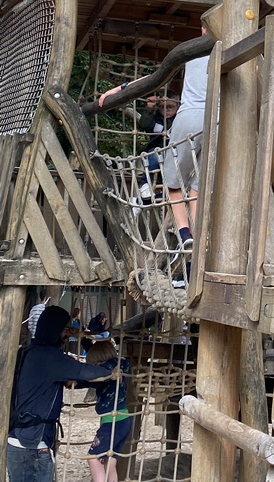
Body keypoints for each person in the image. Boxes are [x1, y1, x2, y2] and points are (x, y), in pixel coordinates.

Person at [99, 30, 209, 256]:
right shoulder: (228, 48)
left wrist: (119, 89)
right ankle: (200, 235)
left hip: (190, 119)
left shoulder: (193, 51)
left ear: (203, 30)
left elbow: (156, 77)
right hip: (218, 119)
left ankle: (186, 234)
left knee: (174, 184)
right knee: (198, 186)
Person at [8, 306, 121, 482]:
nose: (66, 335)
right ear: (54, 329)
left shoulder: (27, 352)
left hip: (16, 439)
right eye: (64, 329)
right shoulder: (49, 357)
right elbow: (84, 372)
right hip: (34, 443)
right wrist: (110, 372)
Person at [85, 340, 132, 482]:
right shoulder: (118, 367)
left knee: (93, 458)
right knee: (110, 462)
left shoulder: (113, 368)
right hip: (123, 420)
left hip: (113, 421)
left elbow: (95, 372)